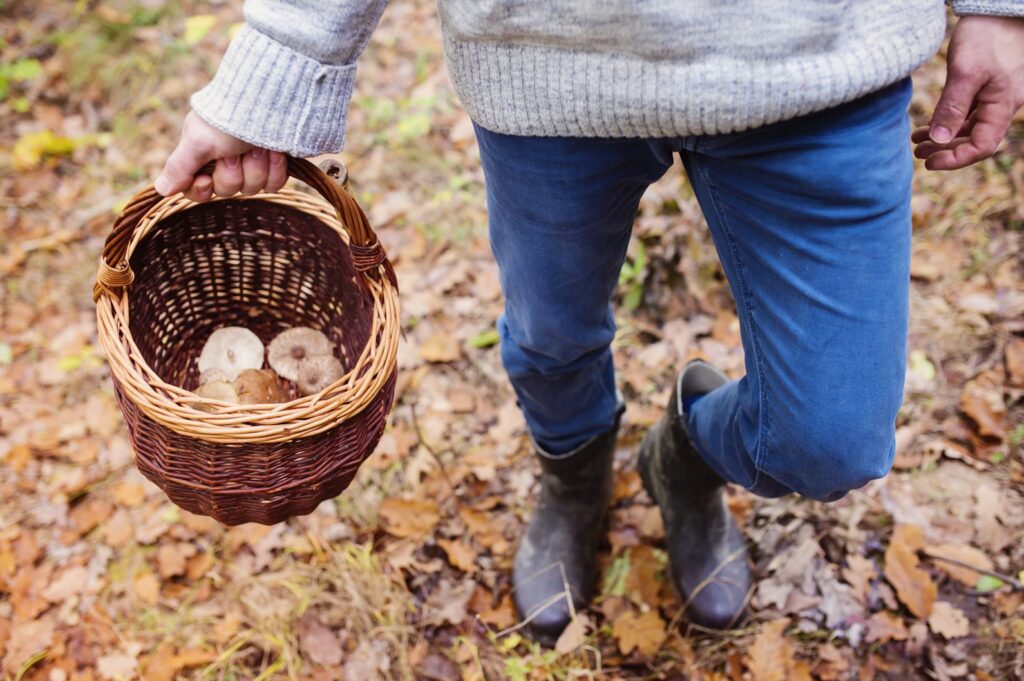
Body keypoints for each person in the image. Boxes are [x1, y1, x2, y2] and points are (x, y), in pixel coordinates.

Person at [156, 0, 1024, 645]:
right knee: (550, 332)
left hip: (819, 57)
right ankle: (574, 482)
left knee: (833, 440)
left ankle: (684, 453)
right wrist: (278, 56)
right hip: (547, 62)